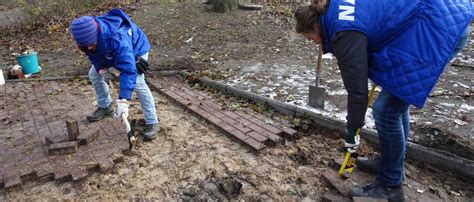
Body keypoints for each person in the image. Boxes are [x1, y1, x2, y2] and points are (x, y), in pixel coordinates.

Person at [294, 0, 471, 200]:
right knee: (394, 106)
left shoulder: (344, 33)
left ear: (315, 26)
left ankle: (390, 185)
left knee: (386, 111)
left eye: (310, 38)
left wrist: (353, 129)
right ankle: (391, 163)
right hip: (433, 17)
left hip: (437, 29)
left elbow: (357, 92)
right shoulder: (335, 9)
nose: (314, 43)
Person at [69, 9, 160, 140]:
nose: (88, 48)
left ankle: (152, 121)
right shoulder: (86, 38)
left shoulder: (116, 38)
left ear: (97, 34)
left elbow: (128, 71)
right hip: (112, 51)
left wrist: (123, 100)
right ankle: (105, 107)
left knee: (138, 82)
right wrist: (101, 68)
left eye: (91, 44)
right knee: (94, 74)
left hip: (136, 48)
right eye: (85, 46)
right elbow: (92, 54)